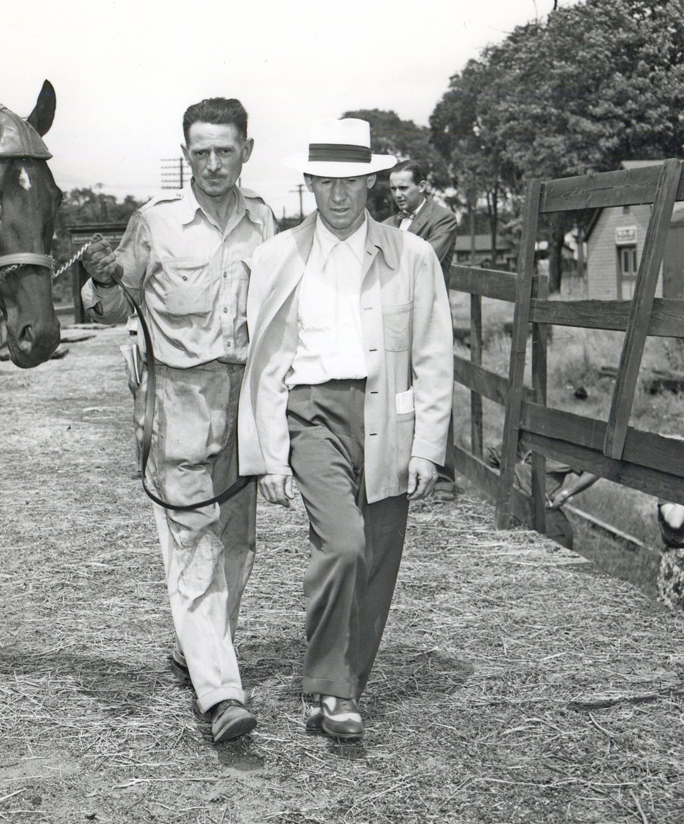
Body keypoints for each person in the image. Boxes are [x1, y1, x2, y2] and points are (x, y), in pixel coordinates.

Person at [240, 118, 453, 741]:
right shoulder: (276, 257)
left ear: (372, 183)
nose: (339, 196)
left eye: (353, 182)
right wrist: (270, 458)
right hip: (312, 416)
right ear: (309, 183)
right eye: (327, 182)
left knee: (379, 556)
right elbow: (265, 364)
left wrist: (429, 447)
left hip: (389, 415)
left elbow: (435, 355)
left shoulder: (410, 256)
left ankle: (340, 690)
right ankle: (329, 686)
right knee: (344, 544)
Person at [80, 97, 276, 743]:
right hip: (179, 406)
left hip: (244, 405)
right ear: (185, 153)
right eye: (201, 152)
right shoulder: (155, 224)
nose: (214, 164)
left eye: (226, 150)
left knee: (238, 549)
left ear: (247, 150)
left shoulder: (265, 223)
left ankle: (196, 650)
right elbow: (110, 304)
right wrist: (101, 281)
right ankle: (220, 694)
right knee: (194, 546)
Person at [384, 159, 459, 499]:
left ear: (423, 186)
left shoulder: (442, 218)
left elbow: (425, 258)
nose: (398, 195)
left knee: (432, 386)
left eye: (404, 188)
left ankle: (443, 477)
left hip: (425, 313)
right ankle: (399, 467)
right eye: (393, 189)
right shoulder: (388, 223)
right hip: (391, 316)